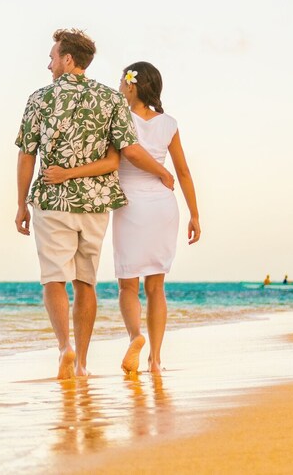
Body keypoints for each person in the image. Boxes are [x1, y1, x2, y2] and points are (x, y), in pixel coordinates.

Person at [15, 29, 174, 380]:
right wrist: (163, 173)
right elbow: (129, 152)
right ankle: (83, 362)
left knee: (55, 279)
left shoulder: (39, 99)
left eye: (53, 57)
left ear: (68, 59)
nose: (49, 63)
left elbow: (27, 155)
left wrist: (21, 204)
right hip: (95, 203)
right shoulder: (110, 99)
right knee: (86, 282)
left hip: (52, 200)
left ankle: (64, 348)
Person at [43, 61, 200, 375]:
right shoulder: (169, 123)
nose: (118, 87)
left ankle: (135, 335)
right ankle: (155, 361)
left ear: (131, 85)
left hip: (130, 204)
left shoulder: (118, 115)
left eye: (121, 81)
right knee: (157, 286)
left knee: (128, 286)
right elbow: (182, 172)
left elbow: (119, 157)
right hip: (163, 205)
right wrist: (195, 215)